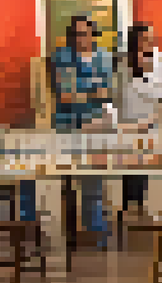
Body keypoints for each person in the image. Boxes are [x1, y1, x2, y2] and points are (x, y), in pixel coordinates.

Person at [49, 16, 114, 245]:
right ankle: (70, 231)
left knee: (94, 178)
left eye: (85, 34)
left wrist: (81, 90)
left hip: (95, 124)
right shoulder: (62, 56)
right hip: (67, 124)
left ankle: (95, 228)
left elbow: (108, 93)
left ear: (93, 34)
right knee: (66, 178)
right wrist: (94, 90)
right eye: (76, 35)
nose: (81, 39)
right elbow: (65, 96)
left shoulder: (104, 56)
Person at [116, 23, 162, 213]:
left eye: (151, 38)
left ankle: (138, 211)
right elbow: (120, 94)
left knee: (142, 170)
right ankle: (128, 212)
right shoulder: (123, 62)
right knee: (128, 172)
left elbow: (159, 93)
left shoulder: (157, 59)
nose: (149, 42)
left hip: (148, 124)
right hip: (127, 125)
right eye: (145, 39)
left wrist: (145, 74)